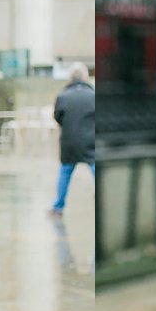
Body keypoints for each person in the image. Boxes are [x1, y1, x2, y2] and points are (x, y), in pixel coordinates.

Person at [50, 64, 94, 213]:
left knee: (65, 173)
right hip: (89, 140)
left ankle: (58, 207)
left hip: (69, 141)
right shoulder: (93, 95)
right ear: (85, 77)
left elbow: (57, 117)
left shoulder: (62, 96)